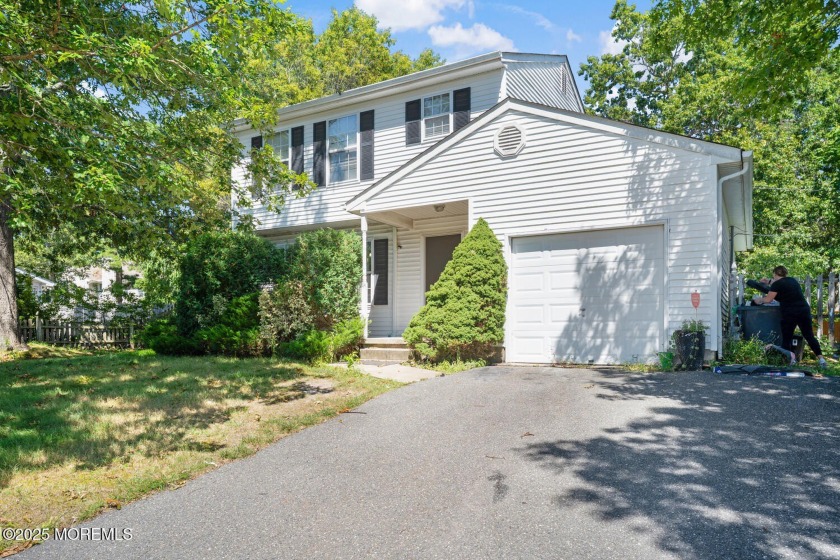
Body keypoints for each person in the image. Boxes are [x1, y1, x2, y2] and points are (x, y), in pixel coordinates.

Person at [752, 266, 828, 368]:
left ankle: (789, 361)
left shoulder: (777, 284)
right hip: (803, 310)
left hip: (790, 312)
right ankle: (821, 360)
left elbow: (768, 300)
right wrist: (768, 281)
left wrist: (759, 300)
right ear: (785, 273)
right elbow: (780, 285)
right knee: (809, 335)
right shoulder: (792, 280)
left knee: (787, 337)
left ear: (774, 274)